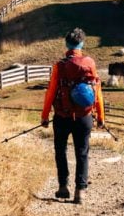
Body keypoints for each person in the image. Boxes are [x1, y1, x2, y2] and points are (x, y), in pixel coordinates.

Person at [40, 27, 106, 205]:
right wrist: (100, 116)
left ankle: (63, 187)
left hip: (62, 116)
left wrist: (45, 116)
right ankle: (80, 191)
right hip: (84, 116)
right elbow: (97, 91)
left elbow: (51, 92)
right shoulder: (90, 64)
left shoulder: (59, 66)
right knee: (82, 152)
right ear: (82, 43)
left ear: (66, 44)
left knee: (60, 150)